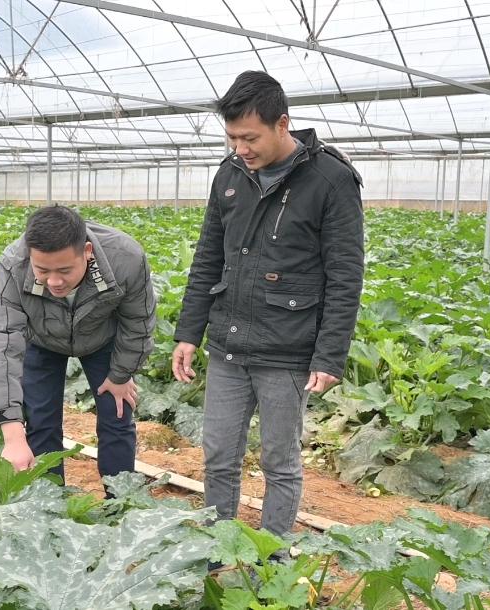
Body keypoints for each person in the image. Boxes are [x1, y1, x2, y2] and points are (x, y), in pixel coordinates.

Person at [172, 71, 364, 535]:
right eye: (233, 137)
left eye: (250, 137)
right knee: (219, 455)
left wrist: (329, 355)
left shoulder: (330, 181)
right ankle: (219, 547)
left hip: (288, 349)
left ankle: (273, 557)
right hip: (229, 345)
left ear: (283, 124)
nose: (241, 148)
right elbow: (207, 259)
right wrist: (187, 333)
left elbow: (345, 277)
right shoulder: (230, 174)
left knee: (280, 462)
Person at [0, 205, 156, 480]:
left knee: (117, 415)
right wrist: (12, 433)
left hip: (101, 338)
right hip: (41, 339)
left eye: (64, 270)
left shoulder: (126, 258)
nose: (54, 281)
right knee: (40, 421)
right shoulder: (13, 267)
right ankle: (49, 505)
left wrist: (122, 374)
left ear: (87, 252)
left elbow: (138, 322)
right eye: (42, 270)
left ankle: (121, 503)